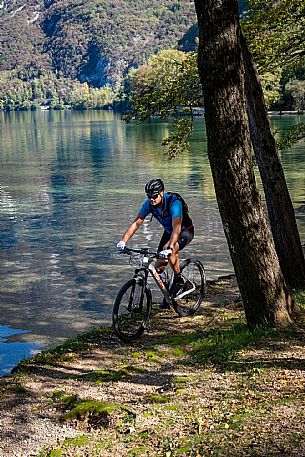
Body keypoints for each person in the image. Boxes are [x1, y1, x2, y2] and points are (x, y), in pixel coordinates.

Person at [116, 178, 194, 308]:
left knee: (168, 250)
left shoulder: (174, 203)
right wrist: (123, 241)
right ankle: (168, 295)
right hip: (169, 232)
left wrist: (170, 247)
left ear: (162, 193)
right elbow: (136, 223)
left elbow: (177, 227)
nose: (151, 199)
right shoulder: (149, 204)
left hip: (184, 231)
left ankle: (179, 279)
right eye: (149, 196)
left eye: (154, 196)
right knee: (159, 267)